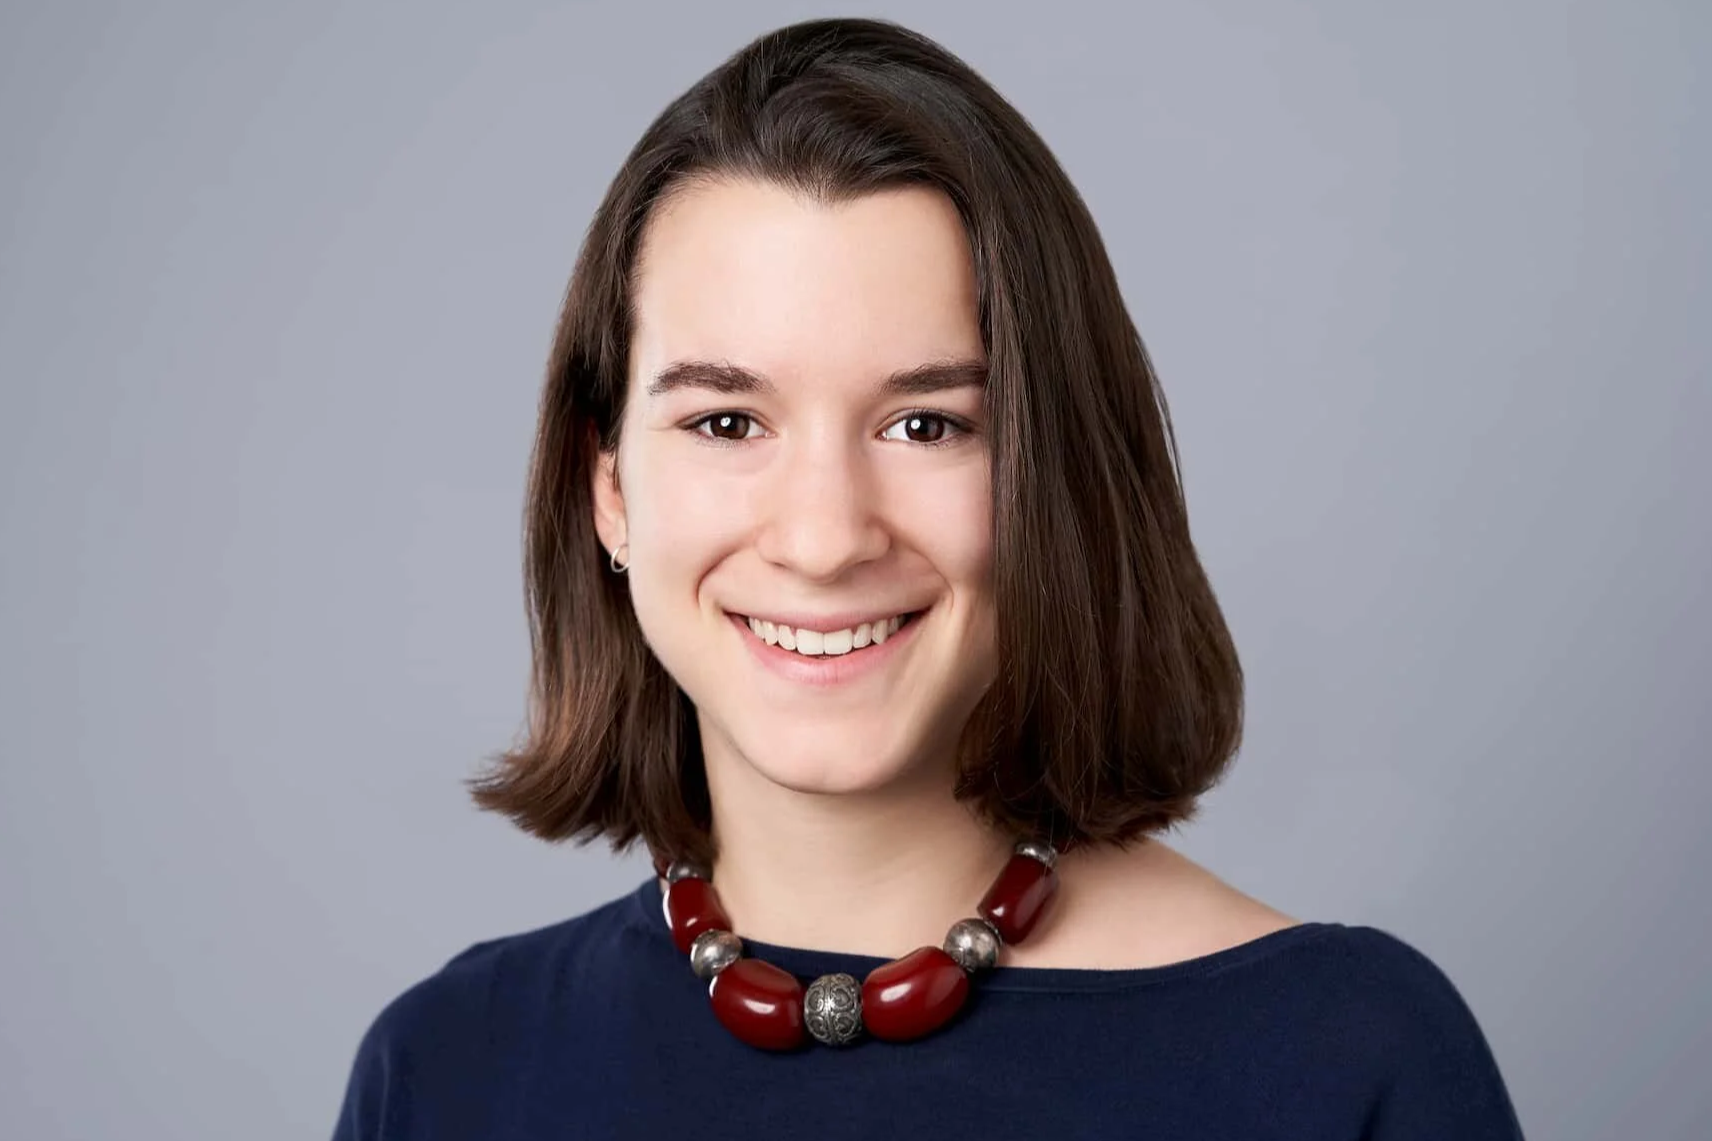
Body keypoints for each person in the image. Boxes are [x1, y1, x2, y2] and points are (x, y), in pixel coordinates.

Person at [330, 16, 1525, 1139]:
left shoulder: (1342, 1061)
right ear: (608, 492)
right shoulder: (444, 1071)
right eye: (726, 422)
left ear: (1056, 481)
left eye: (925, 426)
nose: (823, 536)